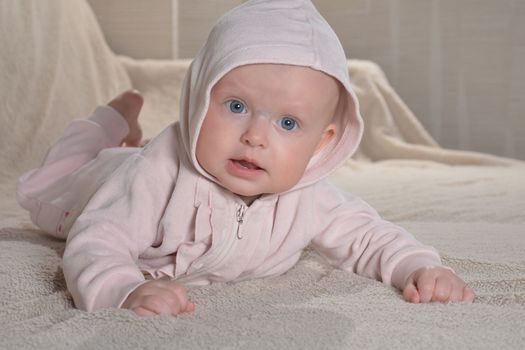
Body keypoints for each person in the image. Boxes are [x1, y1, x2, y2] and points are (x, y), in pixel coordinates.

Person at [16, 0, 475, 316]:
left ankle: (125, 135)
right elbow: (99, 240)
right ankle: (113, 119)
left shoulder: (310, 197)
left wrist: (421, 268)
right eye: (236, 107)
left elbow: (370, 239)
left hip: (133, 164)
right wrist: (122, 289)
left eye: (289, 124)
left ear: (322, 141)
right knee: (57, 174)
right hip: (94, 185)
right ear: (198, 100)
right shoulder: (157, 172)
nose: (256, 137)